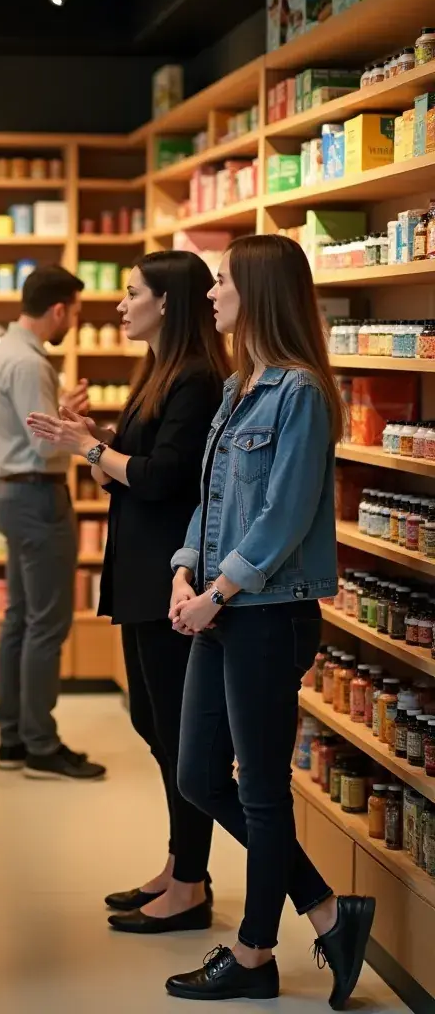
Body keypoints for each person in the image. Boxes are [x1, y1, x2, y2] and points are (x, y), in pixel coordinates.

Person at [165, 235, 374, 1006]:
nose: (212, 294)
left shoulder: (302, 394)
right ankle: (326, 909)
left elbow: (283, 517)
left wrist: (214, 594)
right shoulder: (236, 388)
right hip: (220, 608)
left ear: (258, 292)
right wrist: (186, 567)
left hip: (266, 615)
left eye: (222, 281)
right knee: (196, 776)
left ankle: (255, 953)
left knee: (259, 791)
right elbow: (211, 500)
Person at [27, 251, 230, 933]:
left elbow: (165, 476)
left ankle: (192, 883)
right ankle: (179, 864)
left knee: (178, 734)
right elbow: (131, 468)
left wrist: (87, 448)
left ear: (167, 302)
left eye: (131, 291)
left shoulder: (198, 378)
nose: (119, 304)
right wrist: (93, 441)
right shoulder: (162, 371)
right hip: (143, 571)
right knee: (153, 723)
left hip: (171, 579)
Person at [0, 264, 105, 781]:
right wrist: (75, 422)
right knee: (47, 624)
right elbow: (44, 441)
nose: (74, 319)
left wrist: (58, 410)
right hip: (37, 497)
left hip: (12, 494)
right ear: (58, 310)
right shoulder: (31, 365)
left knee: (21, 619)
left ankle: (13, 736)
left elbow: (31, 425)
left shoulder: (1, 352)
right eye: (74, 311)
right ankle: (40, 744)